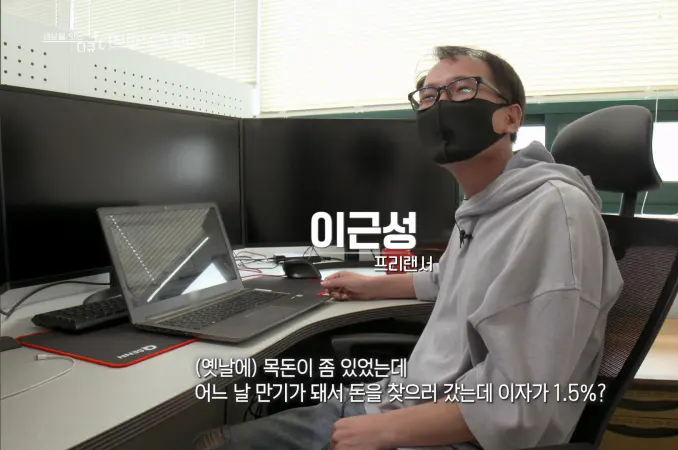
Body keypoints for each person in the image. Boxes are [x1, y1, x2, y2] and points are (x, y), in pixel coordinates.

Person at [194, 46, 623, 450]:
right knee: (215, 441)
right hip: (404, 402)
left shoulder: (551, 212)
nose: (440, 107)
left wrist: (384, 429)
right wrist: (371, 286)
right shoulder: (488, 205)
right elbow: (449, 278)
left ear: (510, 117)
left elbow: (522, 399)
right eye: (429, 96)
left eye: (462, 90)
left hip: (447, 433)